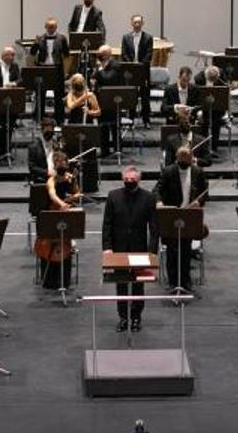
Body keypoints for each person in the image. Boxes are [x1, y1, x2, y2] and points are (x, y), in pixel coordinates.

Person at [101, 166, 157, 332]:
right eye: (127, 180)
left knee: (139, 284)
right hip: (119, 249)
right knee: (121, 285)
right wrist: (107, 248)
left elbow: (154, 227)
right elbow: (107, 224)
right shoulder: (113, 196)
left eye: (132, 180)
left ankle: (136, 318)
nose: (129, 182)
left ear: (138, 180)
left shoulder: (148, 197)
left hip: (139, 248)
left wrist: (152, 252)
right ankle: (123, 317)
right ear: (123, 179)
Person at [154, 146, 208, 293]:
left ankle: (185, 281)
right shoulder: (168, 171)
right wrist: (159, 201)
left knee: (185, 250)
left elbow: (205, 192)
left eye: (187, 159)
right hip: (172, 214)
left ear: (191, 158)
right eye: (181, 159)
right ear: (177, 158)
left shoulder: (198, 172)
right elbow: (157, 190)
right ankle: (173, 282)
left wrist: (199, 202)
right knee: (172, 250)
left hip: (189, 215)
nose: (184, 162)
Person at [39, 151, 81, 291]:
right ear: (56, 165)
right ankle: (49, 280)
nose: (63, 166)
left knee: (66, 244)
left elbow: (77, 192)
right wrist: (61, 204)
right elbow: (52, 195)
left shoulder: (69, 178)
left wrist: (72, 197)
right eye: (60, 164)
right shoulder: (51, 180)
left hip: (65, 214)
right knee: (49, 247)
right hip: (51, 214)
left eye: (65, 164)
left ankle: (65, 280)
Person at [64, 73, 101, 192]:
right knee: (73, 154)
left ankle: (89, 185)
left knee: (88, 153)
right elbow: (70, 106)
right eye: (76, 82)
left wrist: (89, 112)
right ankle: (71, 185)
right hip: (73, 125)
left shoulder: (91, 95)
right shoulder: (72, 95)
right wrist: (84, 97)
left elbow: (98, 112)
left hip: (87, 126)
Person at [30, 18, 69, 121]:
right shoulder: (40, 38)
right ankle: (39, 118)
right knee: (41, 94)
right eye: (49, 27)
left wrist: (66, 71)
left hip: (57, 69)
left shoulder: (62, 38)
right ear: (45, 27)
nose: (51, 29)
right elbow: (32, 53)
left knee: (59, 95)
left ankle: (59, 119)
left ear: (56, 27)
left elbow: (66, 54)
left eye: (53, 27)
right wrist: (36, 43)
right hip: (43, 68)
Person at [120, 14, 154, 126]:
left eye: (139, 22)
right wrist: (131, 65)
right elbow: (124, 53)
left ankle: (146, 120)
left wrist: (139, 65)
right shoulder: (125, 37)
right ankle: (131, 120)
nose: (137, 24)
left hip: (143, 71)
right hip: (130, 72)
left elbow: (149, 54)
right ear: (131, 23)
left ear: (142, 23)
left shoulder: (148, 37)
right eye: (135, 22)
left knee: (145, 97)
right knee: (131, 96)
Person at [91, 44, 123, 156]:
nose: (99, 56)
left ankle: (117, 149)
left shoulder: (115, 65)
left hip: (112, 100)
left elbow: (108, 79)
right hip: (101, 99)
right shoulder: (100, 64)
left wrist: (99, 70)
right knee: (102, 126)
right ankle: (104, 150)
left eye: (101, 54)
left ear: (107, 54)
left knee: (114, 127)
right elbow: (96, 77)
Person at [28, 117, 58, 185]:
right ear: (42, 130)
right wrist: (47, 172)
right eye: (47, 130)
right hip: (42, 177)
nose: (49, 132)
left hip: (57, 176)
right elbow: (32, 167)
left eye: (51, 130)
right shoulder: (34, 146)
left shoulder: (56, 144)